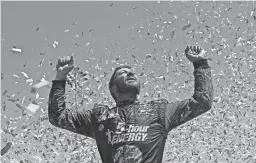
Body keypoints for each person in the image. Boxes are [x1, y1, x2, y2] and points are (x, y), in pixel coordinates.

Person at [48, 45, 213, 163]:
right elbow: (58, 117)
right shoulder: (99, 117)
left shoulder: (159, 111)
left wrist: (201, 63)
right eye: (123, 72)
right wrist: (60, 77)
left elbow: (202, 102)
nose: (131, 72)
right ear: (113, 87)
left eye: (132, 71)